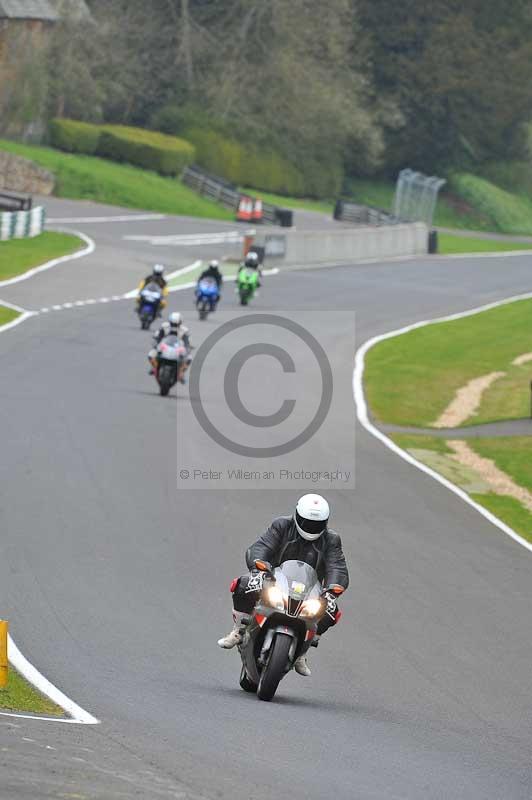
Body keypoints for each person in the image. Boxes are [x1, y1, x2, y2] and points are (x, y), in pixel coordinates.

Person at [217, 494, 349, 677]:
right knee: (244, 583)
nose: (311, 528)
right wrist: (259, 566)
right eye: (307, 522)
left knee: (331, 610)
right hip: (275, 579)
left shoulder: (332, 539)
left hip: (310, 590)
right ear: (297, 515)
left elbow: (337, 566)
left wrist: (333, 588)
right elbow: (262, 545)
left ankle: (303, 651)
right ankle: (238, 630)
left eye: (316, 524)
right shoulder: (282, 525)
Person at [148, 311, 191, 382]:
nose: (174, 325)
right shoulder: (164, 326)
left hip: (178, 349)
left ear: (180, 323)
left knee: (189, 358)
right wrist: (156, 342)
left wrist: (188, 347)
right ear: (170, 322)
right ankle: (155, 367)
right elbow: (157, 336)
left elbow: (187, 341)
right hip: (164, 346)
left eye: (176, 324)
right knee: (151, 354)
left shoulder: (184, 330)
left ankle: (181, 373)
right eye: (173, 323)